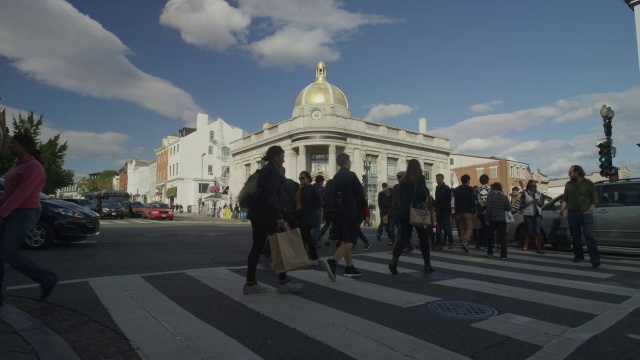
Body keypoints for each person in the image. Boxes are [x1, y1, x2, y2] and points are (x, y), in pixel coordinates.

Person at [0, 134, 58, 304]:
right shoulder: (17, 166)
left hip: (25, 212)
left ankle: (47, 278)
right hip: (12, 211)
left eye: (13, 142)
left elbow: (21, 194)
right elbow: (9, 192)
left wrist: (2, 213)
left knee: (7, 251)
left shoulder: (34, 167)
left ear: (24, 146)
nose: (9, 145)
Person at [244, 145, 302, 294]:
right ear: (275, 157)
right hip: (267, 216)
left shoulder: (267, 170)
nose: (283, 160)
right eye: (282, 157)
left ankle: (251, 283)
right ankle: (283, 282)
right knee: (278, 246)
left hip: (259, 214)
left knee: (258, 247)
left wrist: (281, 179)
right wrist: (278, 218)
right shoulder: (271, 172)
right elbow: (271, 196)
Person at [322, 153, 365, 281]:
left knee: (345, 240)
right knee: (350, 240)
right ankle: (333, 262)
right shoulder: (350, 175)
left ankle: (349, 267)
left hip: (337, 212)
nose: (350, 162)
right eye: (350, 160)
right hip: (349, 210)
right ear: (347, 162)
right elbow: (359, 191)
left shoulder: (336, 176)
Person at [388, 159, 433, 274]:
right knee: (423, 238)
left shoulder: (403, 180)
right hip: (417, 213)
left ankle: (394, 261)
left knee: (402, 238)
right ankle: (427, 264)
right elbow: (423, 195)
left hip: (404, 213)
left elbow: (401, 197)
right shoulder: (420, 178)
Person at [558, 165, 601, 268]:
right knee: (576, 237)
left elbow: (595, 200)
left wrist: (590, 210)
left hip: (586, 214)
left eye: (570, 173)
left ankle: (595, 259)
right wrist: (561, 210)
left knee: (589, 235)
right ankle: (578, 256)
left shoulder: (589, 184)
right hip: (572, 213)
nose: (569, 175)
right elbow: (565, 199)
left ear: (577, 173)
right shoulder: (569, 184)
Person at [296, 171, 322, 266]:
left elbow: (319, 202)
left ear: (308, 178)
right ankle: (307, 256)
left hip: (308, 216)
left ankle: (314, 258)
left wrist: (310, 210)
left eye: (302, 178)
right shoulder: (300, 189)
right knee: (304, 237)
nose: (301, 180)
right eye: (299, 178)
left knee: (307, 237)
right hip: (301, 216)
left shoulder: (312, 188)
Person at [484, 182, 511, 259]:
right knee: (502, 237)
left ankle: (490, 252)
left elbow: (488, 208)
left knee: (490, 236)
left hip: (492, 219)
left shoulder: (490, 196)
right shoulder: (504, 197)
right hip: (502, 219)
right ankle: (504, 254)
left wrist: (486, 218)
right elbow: (509, 208)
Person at [520, 180, 545, 253]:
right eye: (531, 186)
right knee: (529, 230)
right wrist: (531, 202)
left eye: (534, 186)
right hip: (528, 214)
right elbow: (521, 204)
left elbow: (541, 204)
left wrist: (537, 202)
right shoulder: (525, 193)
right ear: (528, 186)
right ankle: (526, 245)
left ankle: (538, 248)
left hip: (537, 213)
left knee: (538, 230)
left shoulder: (538, 193)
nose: (533, 187)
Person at [454, 174, 475, 252]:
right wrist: (474, 211)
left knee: (463, 228)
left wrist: (456, 212)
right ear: (468, 181)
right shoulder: (470, 189)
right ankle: (465, 241)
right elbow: (472, 201)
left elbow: (456, 201)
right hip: (468, 211)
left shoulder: (457, 189)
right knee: (470, 228)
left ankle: (463, 242)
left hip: (459, 211)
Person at [434, 173, 453, 250]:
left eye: (438, 179)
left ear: (442, 179)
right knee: (438, 228)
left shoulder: (446, 188)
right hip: (438, 211)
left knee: (447, 227)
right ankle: (439, 243)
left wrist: (446, 209)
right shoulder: (437, 188)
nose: (437, 180)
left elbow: (448, 200)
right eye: (436, 179)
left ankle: (450, 241)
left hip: (445, 211)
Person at [475, 174, 491, 249]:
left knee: (481, 227)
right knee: (489, 227)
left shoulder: (477, 190)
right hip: (489, 210)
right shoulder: (491, 189)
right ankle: (488, 242)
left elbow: (476, 201)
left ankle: (481, 242)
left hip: (480, 210)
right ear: (488, 180)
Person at [311, 175, 325, 248]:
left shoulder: (312, 187)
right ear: (321, 181)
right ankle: (315, 242)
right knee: (317, 226)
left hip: (311, 209)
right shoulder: (322, 188)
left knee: (313, 227)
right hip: (318, 209)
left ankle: (314, 240)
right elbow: (322, 199)